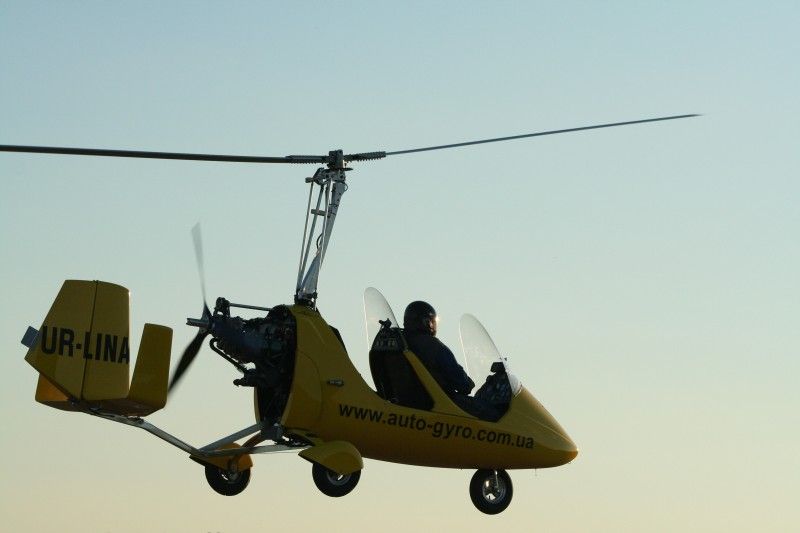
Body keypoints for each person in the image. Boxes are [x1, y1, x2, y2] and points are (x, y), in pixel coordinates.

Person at [403, 301, 500, 420]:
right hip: (437, 405)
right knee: (493, 414)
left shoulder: (399, 343)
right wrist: (469, 383)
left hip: (406, 406)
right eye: (433, 321)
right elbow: (463, 385)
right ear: (427, 322)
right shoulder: (433, 346)